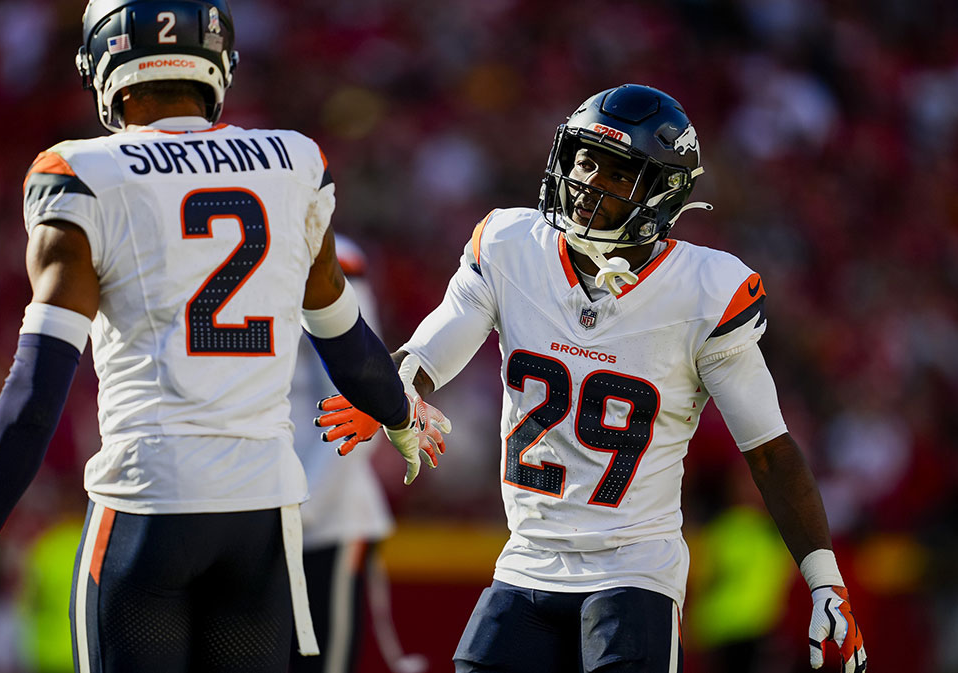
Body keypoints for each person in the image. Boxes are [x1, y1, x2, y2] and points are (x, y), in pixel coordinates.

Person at [0, 2, 450, 672]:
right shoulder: (293, 163)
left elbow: (36, 389)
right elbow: (346, 341)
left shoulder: (83, 172)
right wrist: (402, 417)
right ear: (217, 63)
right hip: (260, 514)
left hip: (149, 504)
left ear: (105, 66)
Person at [317, 84, 867, 673]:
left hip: (634, 571)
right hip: (526, 560)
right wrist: (395, 394)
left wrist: (823, 581)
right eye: (585, 159)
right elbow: (434, 347)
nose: (588, 183)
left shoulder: (703, 290)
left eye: (617, 173)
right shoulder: (511, 245)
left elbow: (770, 451)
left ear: (661, 192)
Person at [288, 234, 426, 673]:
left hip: (321, 518)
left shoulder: (322, 251)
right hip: (245, 509)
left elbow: (356, 401)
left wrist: (298, 511)